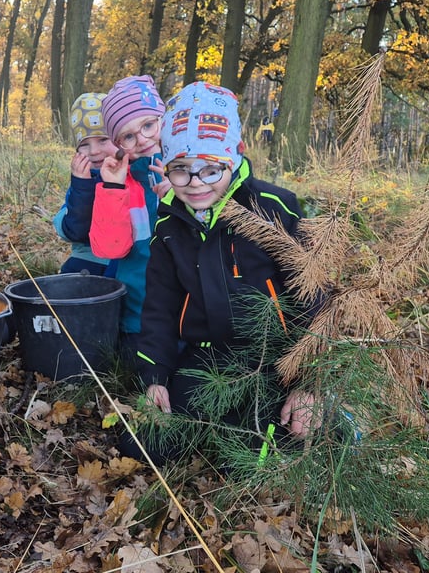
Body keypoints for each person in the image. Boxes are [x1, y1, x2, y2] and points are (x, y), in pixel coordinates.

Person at [123, 82, 318, 464]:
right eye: (180, 170)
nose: (195, 183)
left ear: (234, 156)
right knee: (146, 444)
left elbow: (315, 299)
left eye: (210, 169)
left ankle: (332, 419)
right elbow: (160, 307)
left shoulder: (275, 208)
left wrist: (309, 382)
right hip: (208, 359)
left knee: (260, 455)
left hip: (277, 361)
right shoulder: (170, 222)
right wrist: (155, 378)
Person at [91, 75, 169, 353]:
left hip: (189, 313)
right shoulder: (123, 183)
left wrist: (179, 193)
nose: (143, 139)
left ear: (163, 120)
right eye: (128, 136)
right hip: (138, 316)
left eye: (148, 125)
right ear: (119, 144)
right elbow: (109, 248)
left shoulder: (192, 174)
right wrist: (113, 187)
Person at [53, 92, 115, 275]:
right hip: (88, 259)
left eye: (103, 139)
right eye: (84, 144)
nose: (94, 151)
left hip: (127, 261)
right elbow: (75, 231)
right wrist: (81, 185)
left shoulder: (137, 174)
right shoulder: (84, 179)